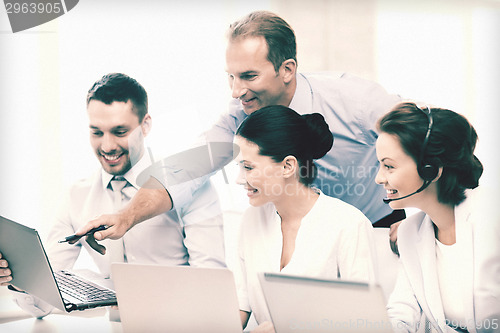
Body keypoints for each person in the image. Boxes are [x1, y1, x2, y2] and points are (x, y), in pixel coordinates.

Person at [77, 10, 403, 254]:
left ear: (287, 69)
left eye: (248, 76)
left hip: (377, 230)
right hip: (301, 241)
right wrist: (126, 216)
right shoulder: (240, 115)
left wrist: (418, 219)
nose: (236, 91)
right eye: (230, 77)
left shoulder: (356, 102)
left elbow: (433, 137)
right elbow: (182, 170)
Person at [0, 73, 226, 318]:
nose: (107, 146)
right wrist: (20, 280)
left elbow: (211, 287)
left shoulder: (189, 185)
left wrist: (143, 302)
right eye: (97, 132)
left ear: (146, 125)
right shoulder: (76, 196)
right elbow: (43, 302)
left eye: (120, 132)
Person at [234, 105, 376, 332]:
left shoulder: (348, 225)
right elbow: (240, 305)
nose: (239, 179)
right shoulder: (251, 220)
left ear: (288, 166)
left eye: (248, 168)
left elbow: (365, 324)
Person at [375, 102, 500, 332]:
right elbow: (403, 310)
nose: (378, 179)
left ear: (431, 169)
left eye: (389, 167)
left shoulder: (492, 215)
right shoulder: (410, 232)